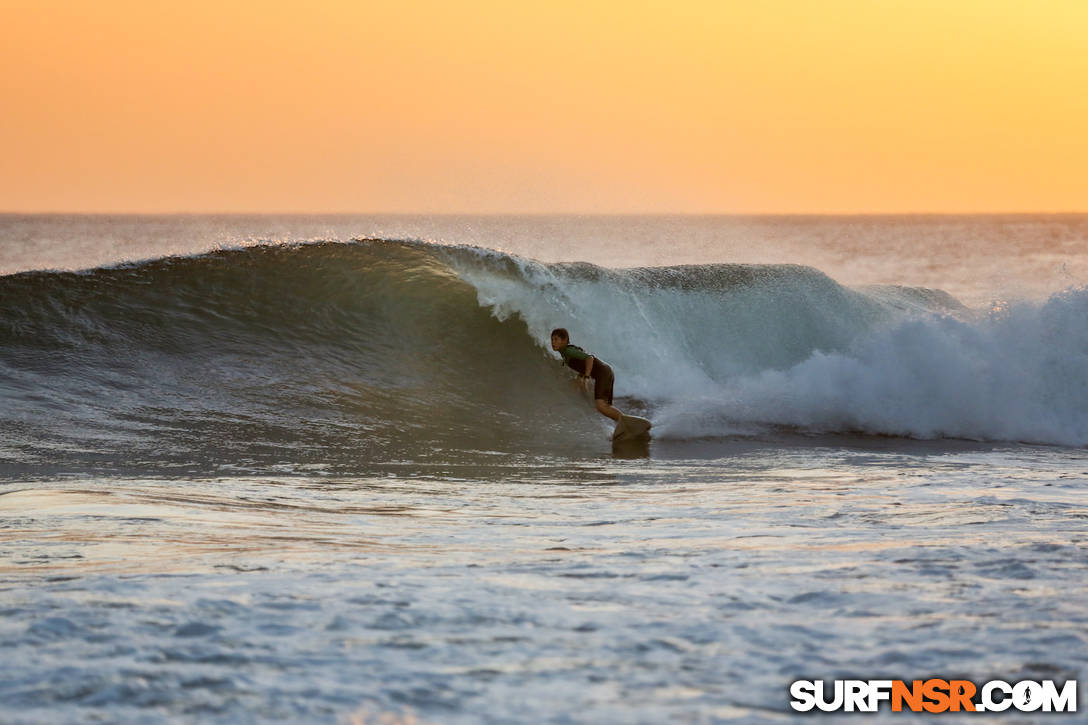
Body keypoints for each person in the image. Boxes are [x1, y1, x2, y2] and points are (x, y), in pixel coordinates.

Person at [550, 328, 623, 422]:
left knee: (601, 405)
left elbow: (589, 358)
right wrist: (580, 377)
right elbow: (582, 363)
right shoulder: (566, 353)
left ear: (564, 340)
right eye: (552, 339)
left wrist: (587, 377)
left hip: (603, 372)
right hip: (606, 371)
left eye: (556, 339)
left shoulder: (568, 351)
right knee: (606, 407)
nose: (553, 342)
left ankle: (626, 424)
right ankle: (623, 427)